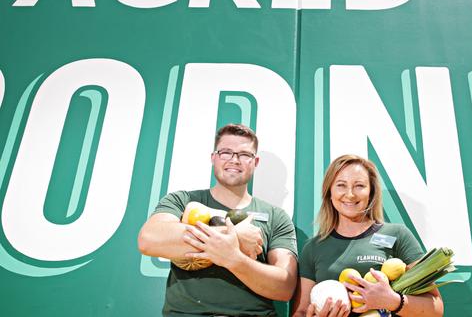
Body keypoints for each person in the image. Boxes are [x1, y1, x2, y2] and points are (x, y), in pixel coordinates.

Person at [138, 123, 298, 316]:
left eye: (244, 155)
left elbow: (284, 288)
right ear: (213, 158)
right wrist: (235, 237)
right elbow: (149, 239)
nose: (234, 160)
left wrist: (234, 259)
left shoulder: (276, 217)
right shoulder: (183, 200)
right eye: (226, 152)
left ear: (255, 162)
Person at [292, 155, 444, 317]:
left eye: (359, 186)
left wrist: (392, 301)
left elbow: (436, 309)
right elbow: (300, 312)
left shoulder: (397, 235)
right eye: (341, 185)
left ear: (371, 192)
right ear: (329, 192)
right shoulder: (314, 247)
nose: (350, 194)